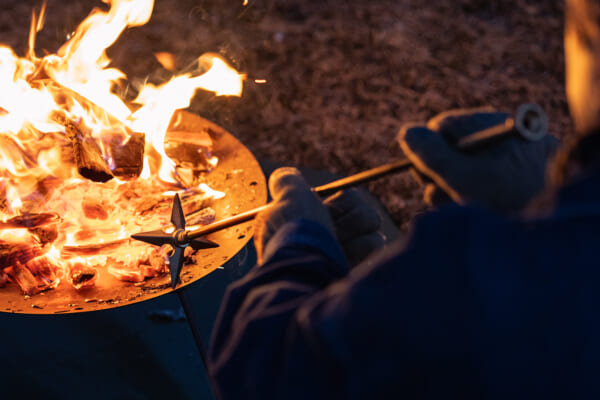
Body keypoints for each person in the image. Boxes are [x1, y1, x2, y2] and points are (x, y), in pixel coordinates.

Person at [207, 0, 600, 398]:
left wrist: (297, 252)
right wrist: (548, 192)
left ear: (589, 44)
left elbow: (269, 375)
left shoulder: (464, 272)